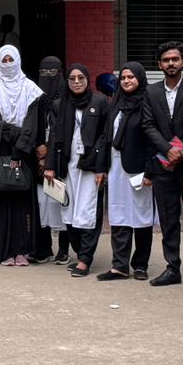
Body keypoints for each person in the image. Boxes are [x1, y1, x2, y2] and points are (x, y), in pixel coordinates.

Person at [140, 41, 183, 289]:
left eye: (175, 59)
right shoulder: (151, 92)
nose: (171, 63)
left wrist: (182, 151)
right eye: (166, 60)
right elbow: (147, 125)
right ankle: (172, 267)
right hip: (163, 165)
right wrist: (168, 149)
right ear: (159, 65)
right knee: (168, 220)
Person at [44, 64, 109, 278]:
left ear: (87, 79)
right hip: (66, 165)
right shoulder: (59, 104)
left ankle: (85, 259)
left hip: (90, 166)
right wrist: (50, 166)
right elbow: (54, 136)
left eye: (81, 77)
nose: (77, 82)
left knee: (89, 211)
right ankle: (81, 252)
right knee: (69, 211)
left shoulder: (99, 101)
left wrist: (101, 168)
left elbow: (105, 137)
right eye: (72, 78)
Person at [0, 44, 42, 266]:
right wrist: (17, 135)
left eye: (11, 59)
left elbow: (32, 121)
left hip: (23, 151)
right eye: (4, 60)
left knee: (21, 202)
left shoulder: (30, 88)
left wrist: (20, 146)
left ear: (18, 60)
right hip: (1, 149)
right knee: (0, 199)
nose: (7, 64)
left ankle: (21, 250)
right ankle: (2, 251)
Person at [99, 63, 156, 280]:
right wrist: (102, 168)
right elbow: (106, 137)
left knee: (141, 217)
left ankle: (140, 265)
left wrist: (150, 171)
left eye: (131, 77)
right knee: (118, 214)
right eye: (123, 78)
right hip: (116, 168)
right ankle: (119, 265)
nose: (126, 81)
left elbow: (153, 140)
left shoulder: (148, 103)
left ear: (140, 78)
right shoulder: (116, 103)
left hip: (139, 170)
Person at [31, 55, 67, 263]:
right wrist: (38, 149)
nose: (48, 76)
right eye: (43, 72)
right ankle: (43, 248)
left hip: (59, 158)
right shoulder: (35, 97)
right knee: (41, 203)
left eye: (52, 73)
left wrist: (49, 154)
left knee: (60, 202)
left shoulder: (67, 98)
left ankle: (64, 248)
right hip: (37, 157)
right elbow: (30, 124)